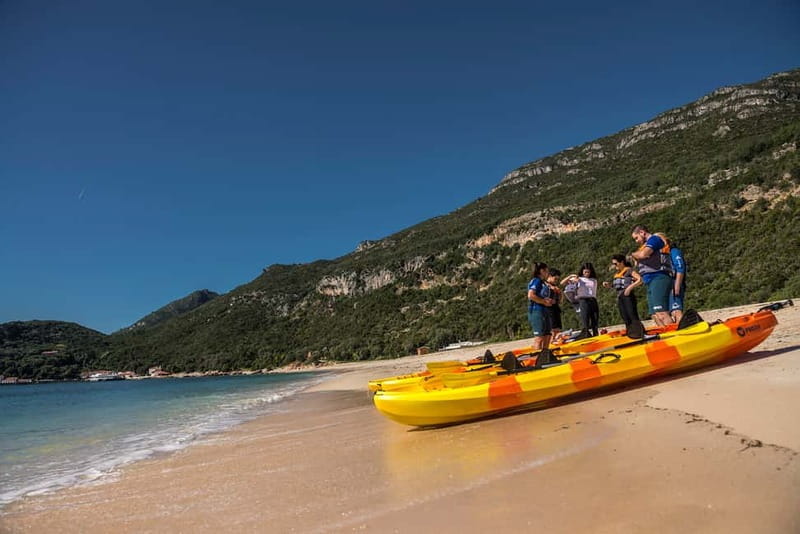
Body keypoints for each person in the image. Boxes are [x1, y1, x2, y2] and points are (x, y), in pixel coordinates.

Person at [630, 225, 672, 325]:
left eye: (636, 238)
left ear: (642, 232)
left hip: (658, 277)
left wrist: (633, 254)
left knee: (661, 313)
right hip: (649, 280)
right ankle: (664, 334)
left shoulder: (654, 239)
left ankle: (673, 334)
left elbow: (643, 254)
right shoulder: (646, 244)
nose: (636, 241)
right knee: (655, 314)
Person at [526, 262, 558, 367]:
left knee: (547, 335)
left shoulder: (543, 283)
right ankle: (535, 361)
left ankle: (545, 357)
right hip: (537, 311)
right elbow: (531, 295)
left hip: (545, 310)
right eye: (547, 271)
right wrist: (544, 302)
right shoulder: (536, 281)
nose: (548, 273)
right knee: (539, 337)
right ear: (542, 271)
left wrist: (550, 301)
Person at [603, 254, 644, 336]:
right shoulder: (617, 274)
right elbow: (616, 286)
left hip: (628, 296)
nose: (614, 266)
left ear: (621, 262)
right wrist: (609, 285)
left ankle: (639, 333)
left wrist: (629, 288)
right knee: (625, 316)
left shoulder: (629, 270)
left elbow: (640, 279)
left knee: (632, 315)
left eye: (615, 264)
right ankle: (631, 332)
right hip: (620, 297)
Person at [656, 233, 687, 324]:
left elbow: (680, 267)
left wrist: (677, 285)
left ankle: (682, 330)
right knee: (664, 313)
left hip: (674, 283)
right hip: (665, 284)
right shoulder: (662, 255)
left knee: (676, 310)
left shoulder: (674, 251)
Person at [565, 263, 599, 338]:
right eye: (585, 272)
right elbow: (562, 283)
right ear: (582, 271)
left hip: (592, 299)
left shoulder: (594, 280)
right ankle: (586, 334)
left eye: (588, 272)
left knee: (595, 319)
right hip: (583, 300)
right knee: (585, 319)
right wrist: (571, 276)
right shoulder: (579, 279)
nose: (586, 274)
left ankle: (596, 334)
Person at [546, 268, 563, 341]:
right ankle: (551, 342)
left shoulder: (555, 287)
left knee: (557, 328)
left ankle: (556, 341)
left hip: (555, 308)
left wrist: (560, 294)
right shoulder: (544, 285)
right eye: (555, 279)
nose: (556, 281)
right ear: (549, 276)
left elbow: (560, 301)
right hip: (548, 309)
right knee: (552, 329)